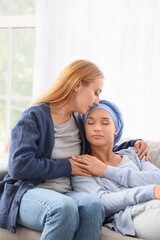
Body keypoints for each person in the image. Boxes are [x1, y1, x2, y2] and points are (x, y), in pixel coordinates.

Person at [0, 60, 149, 240]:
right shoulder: (34, 116)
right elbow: (18, 166)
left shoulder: (78, 121)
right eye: (96, 93)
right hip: (28, 193)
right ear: (77, 84)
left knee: (94, 205)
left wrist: (135, 143)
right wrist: (68, 166)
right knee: (63, 207)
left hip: (67, 193)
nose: (97, 101)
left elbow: (100, 148)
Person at [71, 99, 160, 240]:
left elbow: (157, 179)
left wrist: (106, 171)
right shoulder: (82, 165)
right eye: (90, 123)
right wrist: (149, 191)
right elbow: (103, 203)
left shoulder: (134, 153)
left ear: (115, 129)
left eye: (105, 123)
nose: (97, 128)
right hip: (132, 215)